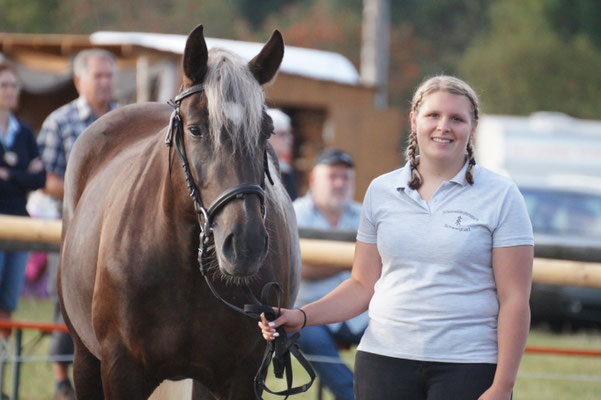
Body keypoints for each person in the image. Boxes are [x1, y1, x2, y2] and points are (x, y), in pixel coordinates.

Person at [260, 76, 534, 400]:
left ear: (472, 128)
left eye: (457, 118)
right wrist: (301, 317)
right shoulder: (381, 191)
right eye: (433, 115)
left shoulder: (502, 195)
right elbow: (362, 285)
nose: (443, 126)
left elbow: (515, 301)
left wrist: (502, 386)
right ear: (414, 120)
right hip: (383, 361)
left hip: (469, 364)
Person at [37, 48, 117, 400]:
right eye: (98, 76)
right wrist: (90, 193)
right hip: (70, 230)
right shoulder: (61, 121)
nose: (105, 83)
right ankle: (60, 382)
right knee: (67, 306)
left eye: (109, 76)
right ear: (78, 80)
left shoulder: (124, 121)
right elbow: (44, 177)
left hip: (114, 234)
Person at [293, 148, 367, 400]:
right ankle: (355, 396)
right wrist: (355, 260)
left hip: (361, 314)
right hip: (313, 313)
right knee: (307, 333)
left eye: (346, 177)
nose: (340, 183)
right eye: (332, 176)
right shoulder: (293, 213)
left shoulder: (365, 215)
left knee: (397, 328)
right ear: (313, 180)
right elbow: (299, 269)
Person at [0, 61, 46, 339]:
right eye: (3, 85)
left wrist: (7, 173)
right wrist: (22, 173)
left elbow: (39, 180)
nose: (9, 91)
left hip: (20, 223)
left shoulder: (24, 132)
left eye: (13, 86)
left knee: (8, 302)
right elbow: (30, 176)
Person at [266, 108, 297, 200]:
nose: (289, 139)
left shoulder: (285, 170)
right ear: (267, 136)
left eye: (289, 134)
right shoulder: (258, 170)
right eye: (282, 134)